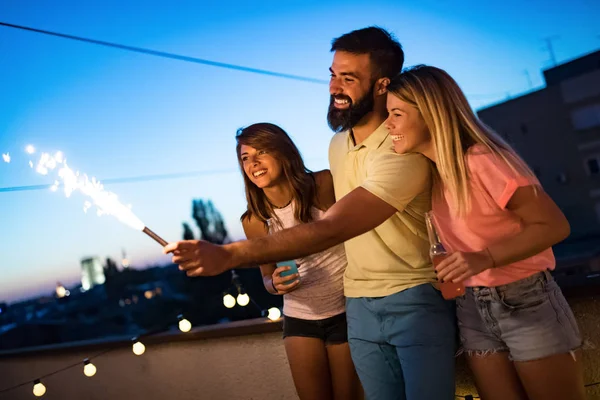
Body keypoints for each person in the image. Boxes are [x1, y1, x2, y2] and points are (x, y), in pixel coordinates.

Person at [165, 27, 457, 400]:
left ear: (383, 85)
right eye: (332, 75)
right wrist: (272, 282)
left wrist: (228, 254)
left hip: (411, 297)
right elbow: (290, 263)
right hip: (359, 305)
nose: (334, 87)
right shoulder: (339, 145)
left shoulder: (402, 149)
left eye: (348, 78)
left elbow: (334, 227)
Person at [384, 65, 585, 400]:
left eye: (396, 114)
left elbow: (554, 225)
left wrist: (483, 258)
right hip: (472, 307)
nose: (388, 124)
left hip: (525, 300)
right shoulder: (434, 176)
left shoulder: (481, 159)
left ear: (430, 114)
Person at [236, 122, 361, 400]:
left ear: (283, 152)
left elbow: (358, 229)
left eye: (262, 152)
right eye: (245, 158)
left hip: (347, 311)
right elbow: (266, 279)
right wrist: (274, 283)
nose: (253, 163)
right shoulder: (254, 221)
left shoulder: (323, 184)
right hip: (299, 319)